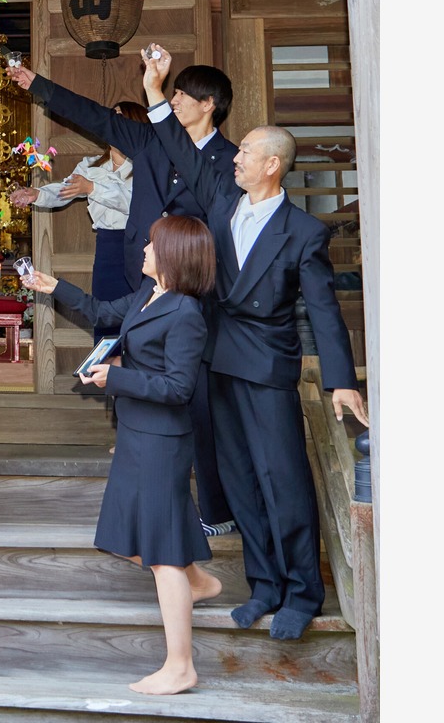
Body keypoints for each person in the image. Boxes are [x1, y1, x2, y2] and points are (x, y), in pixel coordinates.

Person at [140, 43, 369, 640]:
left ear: (271, 165)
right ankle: (264, 585)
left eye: (244, 152)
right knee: (239, 479)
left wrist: (341, 381)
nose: (234, 157)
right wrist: (156, 93)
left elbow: (324, 309)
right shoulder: (222, 201)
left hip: (267, 367)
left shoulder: (303, 232)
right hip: (218, 359)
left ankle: (302, 593)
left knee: (282, 480)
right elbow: (181, 151)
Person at [7, 60, 237, 537]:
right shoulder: (148, 139)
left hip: (196, 286)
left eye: (182, 94)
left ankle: (216, 509)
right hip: (144, 274)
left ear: (209, 104)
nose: (173, 99)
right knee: (139, 373)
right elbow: (94, 116)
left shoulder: (228, 159)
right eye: (171, 93)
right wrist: (39, 85)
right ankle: (147, 497)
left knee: (197, 394)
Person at [23, 214, 222, 695]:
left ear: (174, 254)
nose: (145, 250)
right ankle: (198, 582)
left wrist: (118, 377)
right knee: (127, 537)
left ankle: (181, 666)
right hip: (136, 433)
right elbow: (99, 310)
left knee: (161, 552)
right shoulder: (148, 293)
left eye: (152, 244)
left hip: (162, 441)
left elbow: (178, 388)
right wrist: (53, 287)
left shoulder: (186, 313)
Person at [9, 100, 150, 341]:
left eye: (119, 119)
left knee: (139, 315)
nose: (112, 125)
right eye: (110, 119)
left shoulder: (148, 165)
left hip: (140, 245)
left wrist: (93, 188)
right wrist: (37, 194)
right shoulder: (91, 165)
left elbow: (136, 203)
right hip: (107, 246)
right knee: (105, 312)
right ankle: (106, 362)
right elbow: (65, 189)